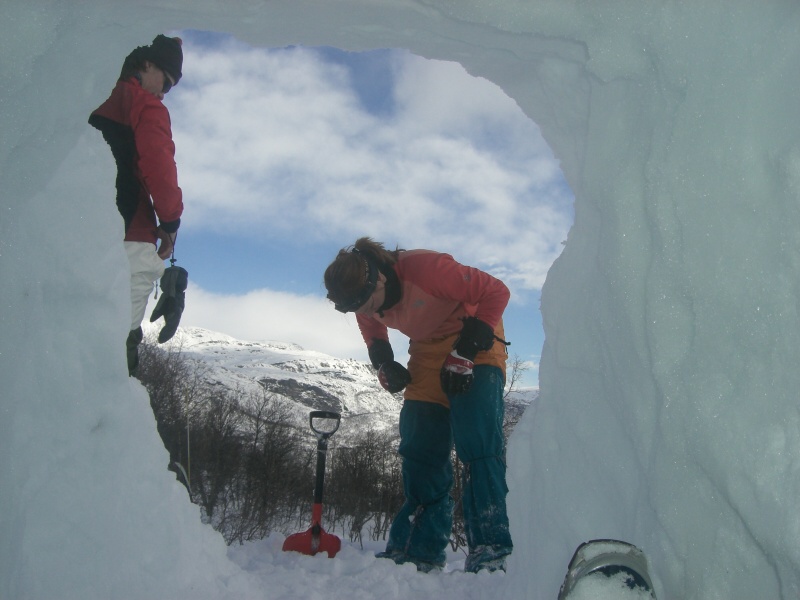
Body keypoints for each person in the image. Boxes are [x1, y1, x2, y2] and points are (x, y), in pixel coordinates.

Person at [324, 237, 513, 573]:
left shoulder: (427, 270)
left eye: (367, 304)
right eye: (358, 308)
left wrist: (466, 351)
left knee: (478, 440)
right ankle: (416, 551)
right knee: (420, 445)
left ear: (378, 278)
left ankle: (491, 550)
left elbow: (496, 291)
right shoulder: (364, 297)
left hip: (476, 338)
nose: (367, 313)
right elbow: (371, 326)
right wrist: (383, 361)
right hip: (427, 348)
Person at [88, 35, 186, 375]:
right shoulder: (142, 104)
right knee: (120, 336)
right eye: (166, 82)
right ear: (146, 64)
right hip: (132, 231)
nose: (163, 94)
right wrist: (170, 223)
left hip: (84, 230)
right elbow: (158, 164)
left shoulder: (89, 95)